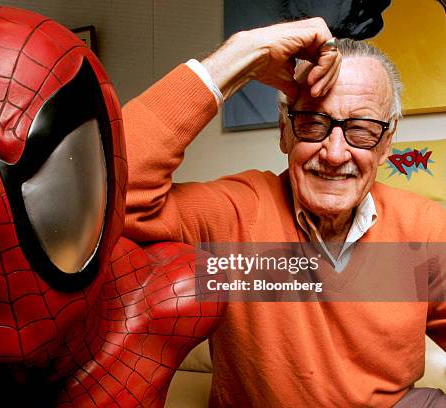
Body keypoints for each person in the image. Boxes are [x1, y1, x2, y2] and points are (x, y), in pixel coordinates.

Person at [122, 17, 446, 407]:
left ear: (386, 142)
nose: (335, 153)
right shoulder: (236, 212)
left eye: (361, 129)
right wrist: (240, 55)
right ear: (284, 132)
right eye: (312, 122)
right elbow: (112, 193)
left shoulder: (427, 229)